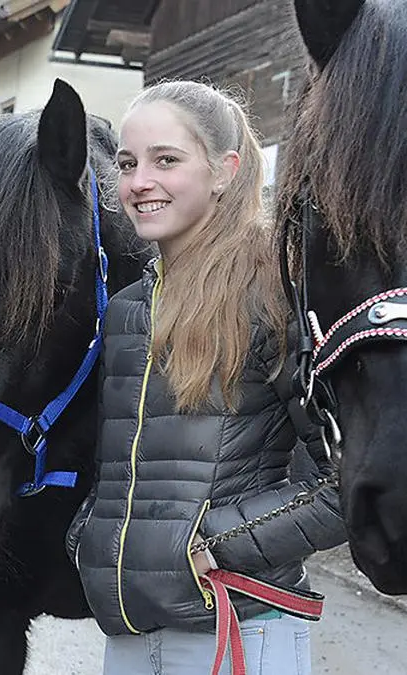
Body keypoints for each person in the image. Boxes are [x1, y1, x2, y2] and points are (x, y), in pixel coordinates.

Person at [66, 80, 346, 675]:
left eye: (166, 160)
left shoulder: (275, 294)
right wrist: (93, 534)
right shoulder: (125, 311)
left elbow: (347, 481)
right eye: (127, 163)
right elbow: (121, 466)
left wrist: (210, 548)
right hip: (132, 628)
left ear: (225, 170)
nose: (140, 181)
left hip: (240, 625)